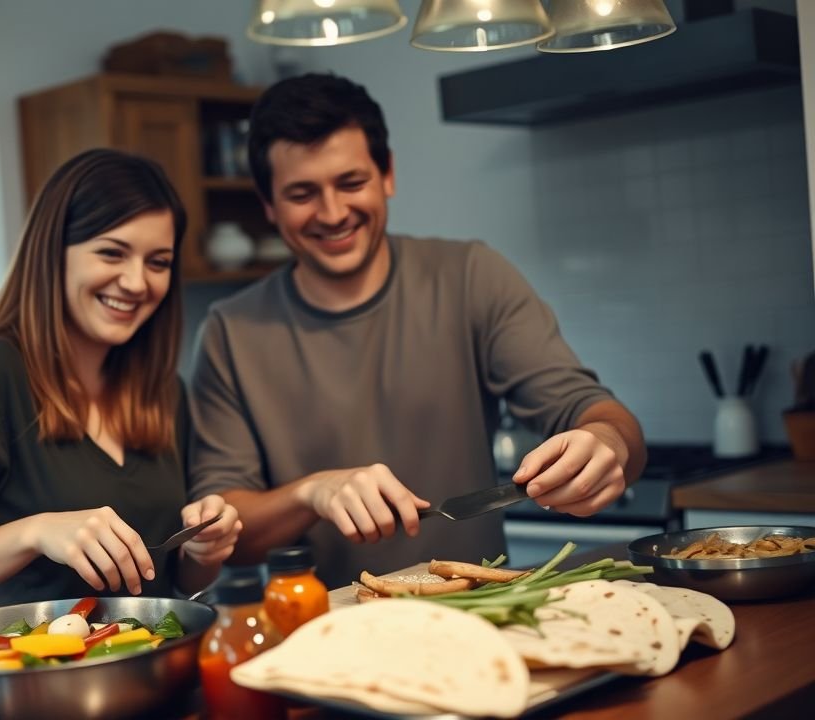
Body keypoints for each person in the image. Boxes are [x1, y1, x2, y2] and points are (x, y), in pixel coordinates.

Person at [188, 73, 646, 587]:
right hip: (317, 634)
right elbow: (222, 533)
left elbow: (592, 410)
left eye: (351, 182)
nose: (333, 212)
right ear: (268, 203)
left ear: (387, 175)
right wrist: (311, 491)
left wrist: (607, 442)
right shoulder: (231, 332)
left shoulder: (471, 275)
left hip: (476, 617)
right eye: (302, 193)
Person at [0, 148, 241, 617]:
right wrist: (34, 533)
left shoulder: (164, 392)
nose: (136, 282)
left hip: (145, 673)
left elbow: (175, 580)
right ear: (54, 254)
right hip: (12, 680)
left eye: (158, 262)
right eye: (112, 252)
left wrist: (205, 551)